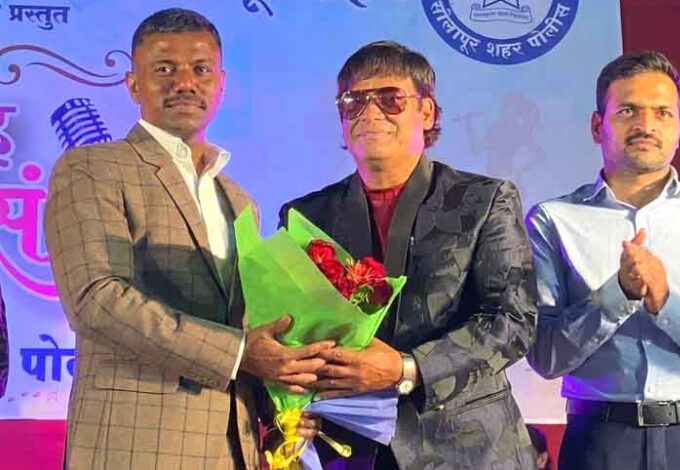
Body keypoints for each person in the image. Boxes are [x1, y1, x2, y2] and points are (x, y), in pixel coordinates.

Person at [44, 8, 328, 469]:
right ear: (133, 84)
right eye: (164, 69)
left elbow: (245, 324)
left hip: (232, 449)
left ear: (221, 84)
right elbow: (96, 299)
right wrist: (240, 353)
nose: (184, 83)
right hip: (135, 449)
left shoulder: (239, 200)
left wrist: (285, 394)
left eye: (200, 69)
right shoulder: (92, 168)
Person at [279, 40, 538, 469]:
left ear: (427, 112)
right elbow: (290, 331)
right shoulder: (306, 216)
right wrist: (290, 400)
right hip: (347, 447)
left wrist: (406, 368)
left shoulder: (484, 200)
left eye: (390, 99)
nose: (370, 113)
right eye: (353, 102)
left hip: (468, 449)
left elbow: (513, 322)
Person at [526, 50, 680, 470]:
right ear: (597, 126)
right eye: (628, 110)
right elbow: (545, 356)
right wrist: (618, 295)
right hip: (600, 441)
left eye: (662, 113)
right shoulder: (553, 220)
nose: (646, 125)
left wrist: (667, 304)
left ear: (679, 128)